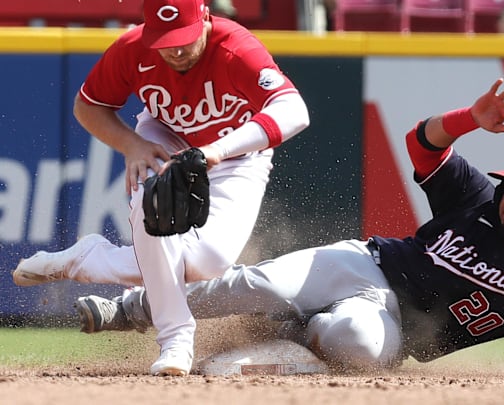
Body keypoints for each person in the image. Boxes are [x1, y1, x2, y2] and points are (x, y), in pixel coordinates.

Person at [31, 79, 504, 372]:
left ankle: (282, 345)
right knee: (260, 280)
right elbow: (423, 144)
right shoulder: (477, 202)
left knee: (348, 339)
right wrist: (467, 120)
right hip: (369, 263)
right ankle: (125, 307)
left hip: (394, 328)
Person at [12, 0, 310, 377]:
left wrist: (216, 150)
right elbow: (88, 106)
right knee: (156, 207)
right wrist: (131, 145)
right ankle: (176, 337)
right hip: (164, 142)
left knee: (207, 264)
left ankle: (85, 258)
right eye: (165, 39)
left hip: (236, 155)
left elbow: (294, 110)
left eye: (184, 37)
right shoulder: (132, 49)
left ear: (204, 17)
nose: (176, 49)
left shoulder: (236, 48)